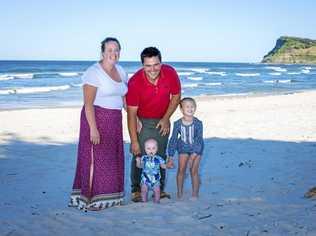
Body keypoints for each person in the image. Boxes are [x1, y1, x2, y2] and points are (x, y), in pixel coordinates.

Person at [69, 37, 128, 211]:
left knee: (113, 159)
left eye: (116, 50)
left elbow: (123, 97)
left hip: (115, 120)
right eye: (109, 50)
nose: (113, 53)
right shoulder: (93, 72)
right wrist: (93, 129)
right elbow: (88, 104)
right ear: (102, 52)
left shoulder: (122, 71)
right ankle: (91, 200)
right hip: (96, 118)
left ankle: (111, 199)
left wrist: (135, 118)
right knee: (96, 159)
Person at [126, 47, 181, 202]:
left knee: (160, 154)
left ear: (161, 62)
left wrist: (166, 118)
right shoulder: (135, 82)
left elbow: (176, 96)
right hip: (141, 120)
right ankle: (136, 190)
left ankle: (160, 189)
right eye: (148, 66)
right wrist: (134, 141)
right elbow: (131, 114)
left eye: (156, 65)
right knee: (139, 154)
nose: (153, 69)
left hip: (162, 119)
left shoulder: (170, 73)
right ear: (142, 65)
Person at [167, 97, 204, 200]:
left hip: (197, 149)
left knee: (194, 171)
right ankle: (179, 192)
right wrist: (170, 156)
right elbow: (173, 139)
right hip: (183, 147)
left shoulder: (198, 123)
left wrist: (194, 155)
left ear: (195, 108)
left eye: (192, 106)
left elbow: (199, 139)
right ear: (182, 109)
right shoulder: (177, 123)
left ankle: (195, 194)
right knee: (181, 170)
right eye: (187, 106)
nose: (190, 108)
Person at [136, 138, 172, 203]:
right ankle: (144, 201)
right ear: (145, 149)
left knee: (157, 191)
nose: (151, 150)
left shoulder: (158, 158)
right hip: (145, 180)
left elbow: (162, 166)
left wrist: (167, 165)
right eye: (148, 148)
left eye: (153, 148)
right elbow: (140, 166)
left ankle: (157, 201)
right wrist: (138, 162)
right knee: (144, 190)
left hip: (155, 180)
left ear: (157, 148)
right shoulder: (144, 158)